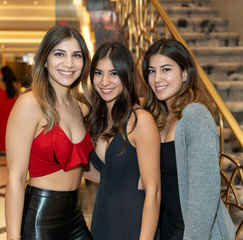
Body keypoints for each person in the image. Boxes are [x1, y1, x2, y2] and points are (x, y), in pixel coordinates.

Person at [5, 25, 93, 240]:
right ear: (44, 59)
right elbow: (15, 178)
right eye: (59, 54)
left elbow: (83, 167)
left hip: (76, 216)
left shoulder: (82, 108)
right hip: (40, 219)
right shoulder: (30, 104)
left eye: (76, 55)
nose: (69, 63)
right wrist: (12, 237)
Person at [142, 39, 235, 240]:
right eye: (151, 71)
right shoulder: (158, 118)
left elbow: (204, 199)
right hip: (167, 229)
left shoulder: (195, 116)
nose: (157, 78)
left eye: (166, 69)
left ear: (185, 73)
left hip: (192, 233)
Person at [84, 42, 161, 240]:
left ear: (125, 76)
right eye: (99, 73)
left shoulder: (140, 120)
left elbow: (154, 191)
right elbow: (107, 175)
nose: (104, 81)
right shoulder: (96, 120)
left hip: (132, 222)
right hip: (103, 219)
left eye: (113, 73)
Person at [0, 66, 20, 155]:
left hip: (3, 110)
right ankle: (14, 148)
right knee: (14, 129)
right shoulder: (16, 84)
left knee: (3, 129)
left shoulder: (0, 84)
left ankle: (3, 149)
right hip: (13, 110)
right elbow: (19, 97)